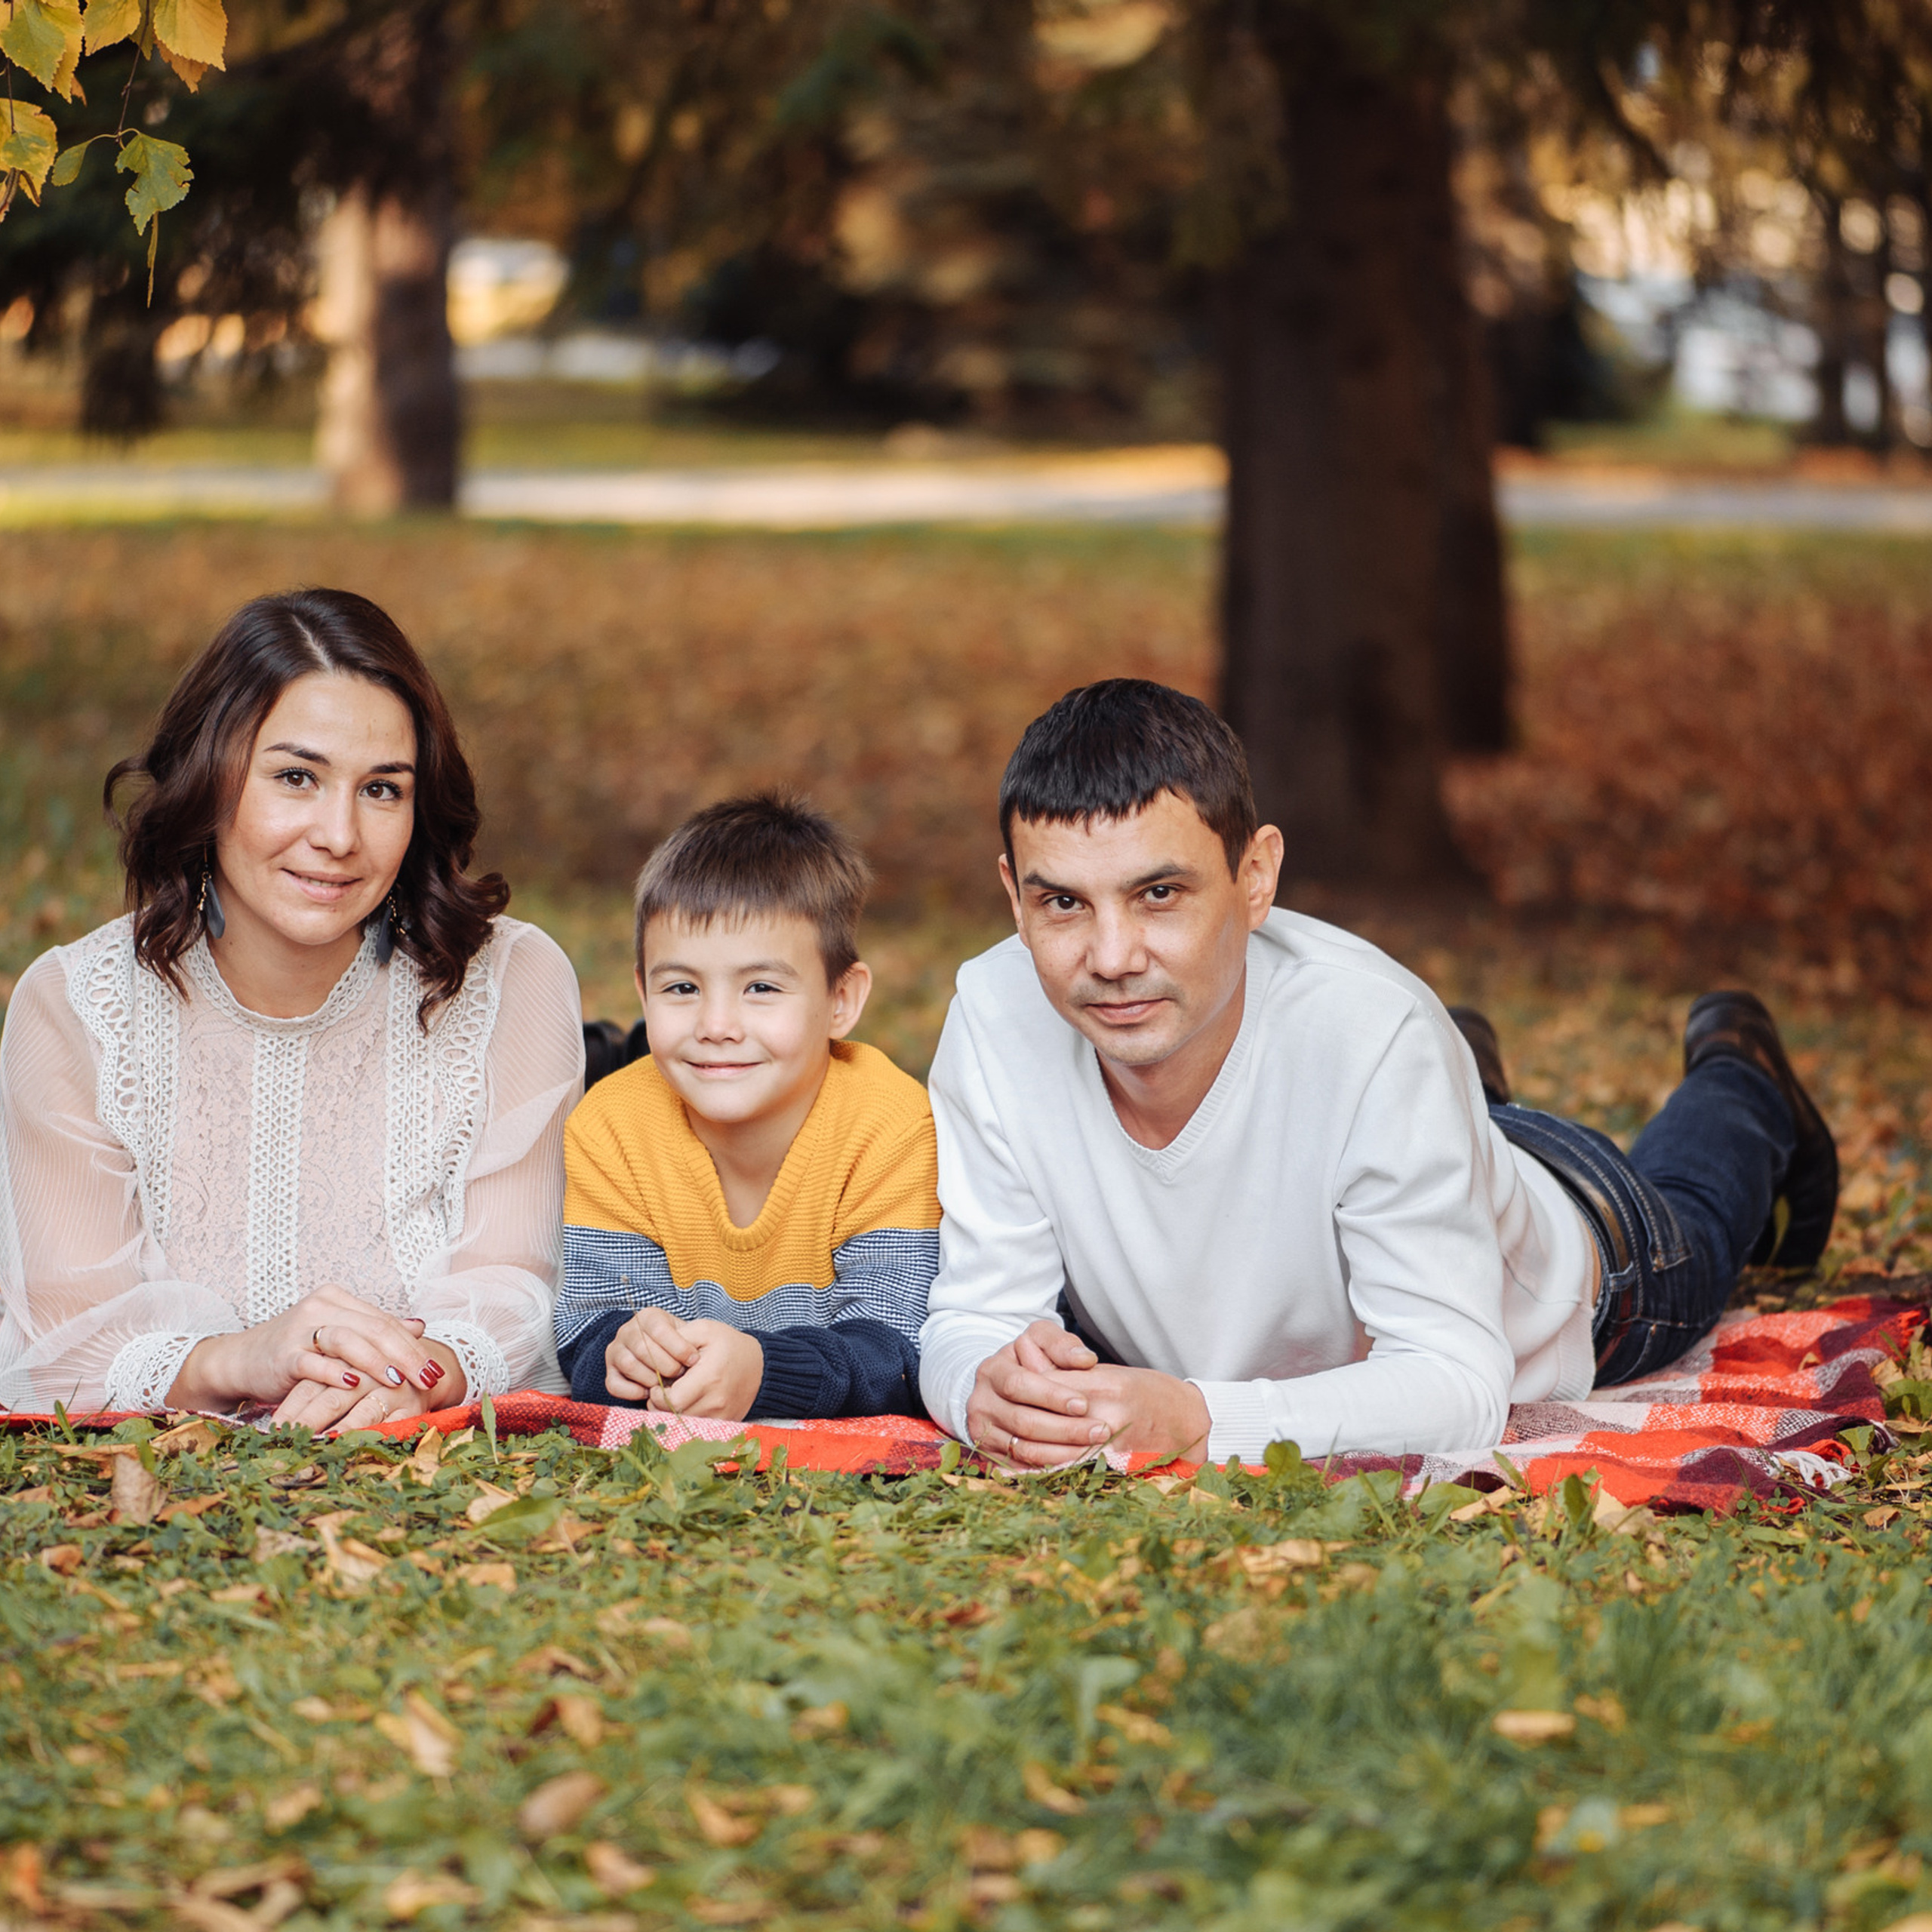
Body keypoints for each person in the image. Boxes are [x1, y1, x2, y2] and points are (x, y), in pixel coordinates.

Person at [918, 679, 1838, 1467]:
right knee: (1407, 1085)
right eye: (1062, 903)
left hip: (1586, 1260)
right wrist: (978, 1389)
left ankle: (1742, 1074)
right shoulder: (995, 1014)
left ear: (1255, 877)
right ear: (1013, 895)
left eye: (1160, 894)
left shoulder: (1373, 1033)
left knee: (1697, 1208)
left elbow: (1457, 1382)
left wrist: (1200, 1419)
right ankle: (1467, 1080)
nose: (1111, 955)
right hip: (1406, 1135)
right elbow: (970, 1315)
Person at [0, 589, 583, 1427]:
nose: (339, 834)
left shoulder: (509, 982)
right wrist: (242, 1358)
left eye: (382, 789)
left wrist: (428, 1370)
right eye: (296, 777)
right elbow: (56, 1343)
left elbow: (522, 1288)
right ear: (210, 777)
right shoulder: (74, 1008)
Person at [554, 795, 940, 1420]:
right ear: (642, 993)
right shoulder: (612, 1126)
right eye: (681, 988)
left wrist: (763, 1371)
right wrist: (624, 1354)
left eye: (761, 988)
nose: (716, 1024)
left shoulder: (889, 1126)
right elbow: (587, 1328)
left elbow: (900, 1351)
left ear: (842, 999)